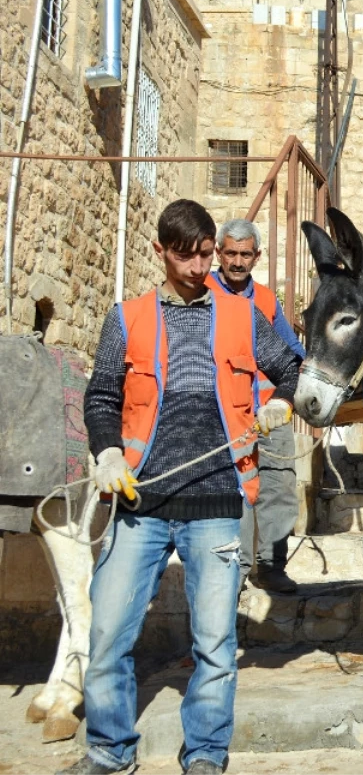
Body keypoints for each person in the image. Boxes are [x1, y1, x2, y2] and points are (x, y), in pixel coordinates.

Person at [62, 199, 300, 775]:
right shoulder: (128, 317)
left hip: (218, 502)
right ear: (160, 251)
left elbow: (293, 367)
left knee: (216, 646)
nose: (199, 267)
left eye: (206, 254)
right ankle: (110, 750)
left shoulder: (244, 317)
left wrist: (282, 401)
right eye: (186, 255)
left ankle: (205, 755)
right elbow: (101, 396)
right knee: (109, 633)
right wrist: (109, 451)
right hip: (140, 502)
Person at [206, 218, 306, 594]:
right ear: (218, 253)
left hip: (270, 409)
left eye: (245, 254)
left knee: (278, 484)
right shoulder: (202, 292)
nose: (236, 261)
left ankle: (270, 565)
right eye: (230, 253)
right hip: (224, 412)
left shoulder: (264, 299)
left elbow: (291, 351)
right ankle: (238, 567)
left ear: (257, 257)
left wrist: (306, 374)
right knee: (234, 490)